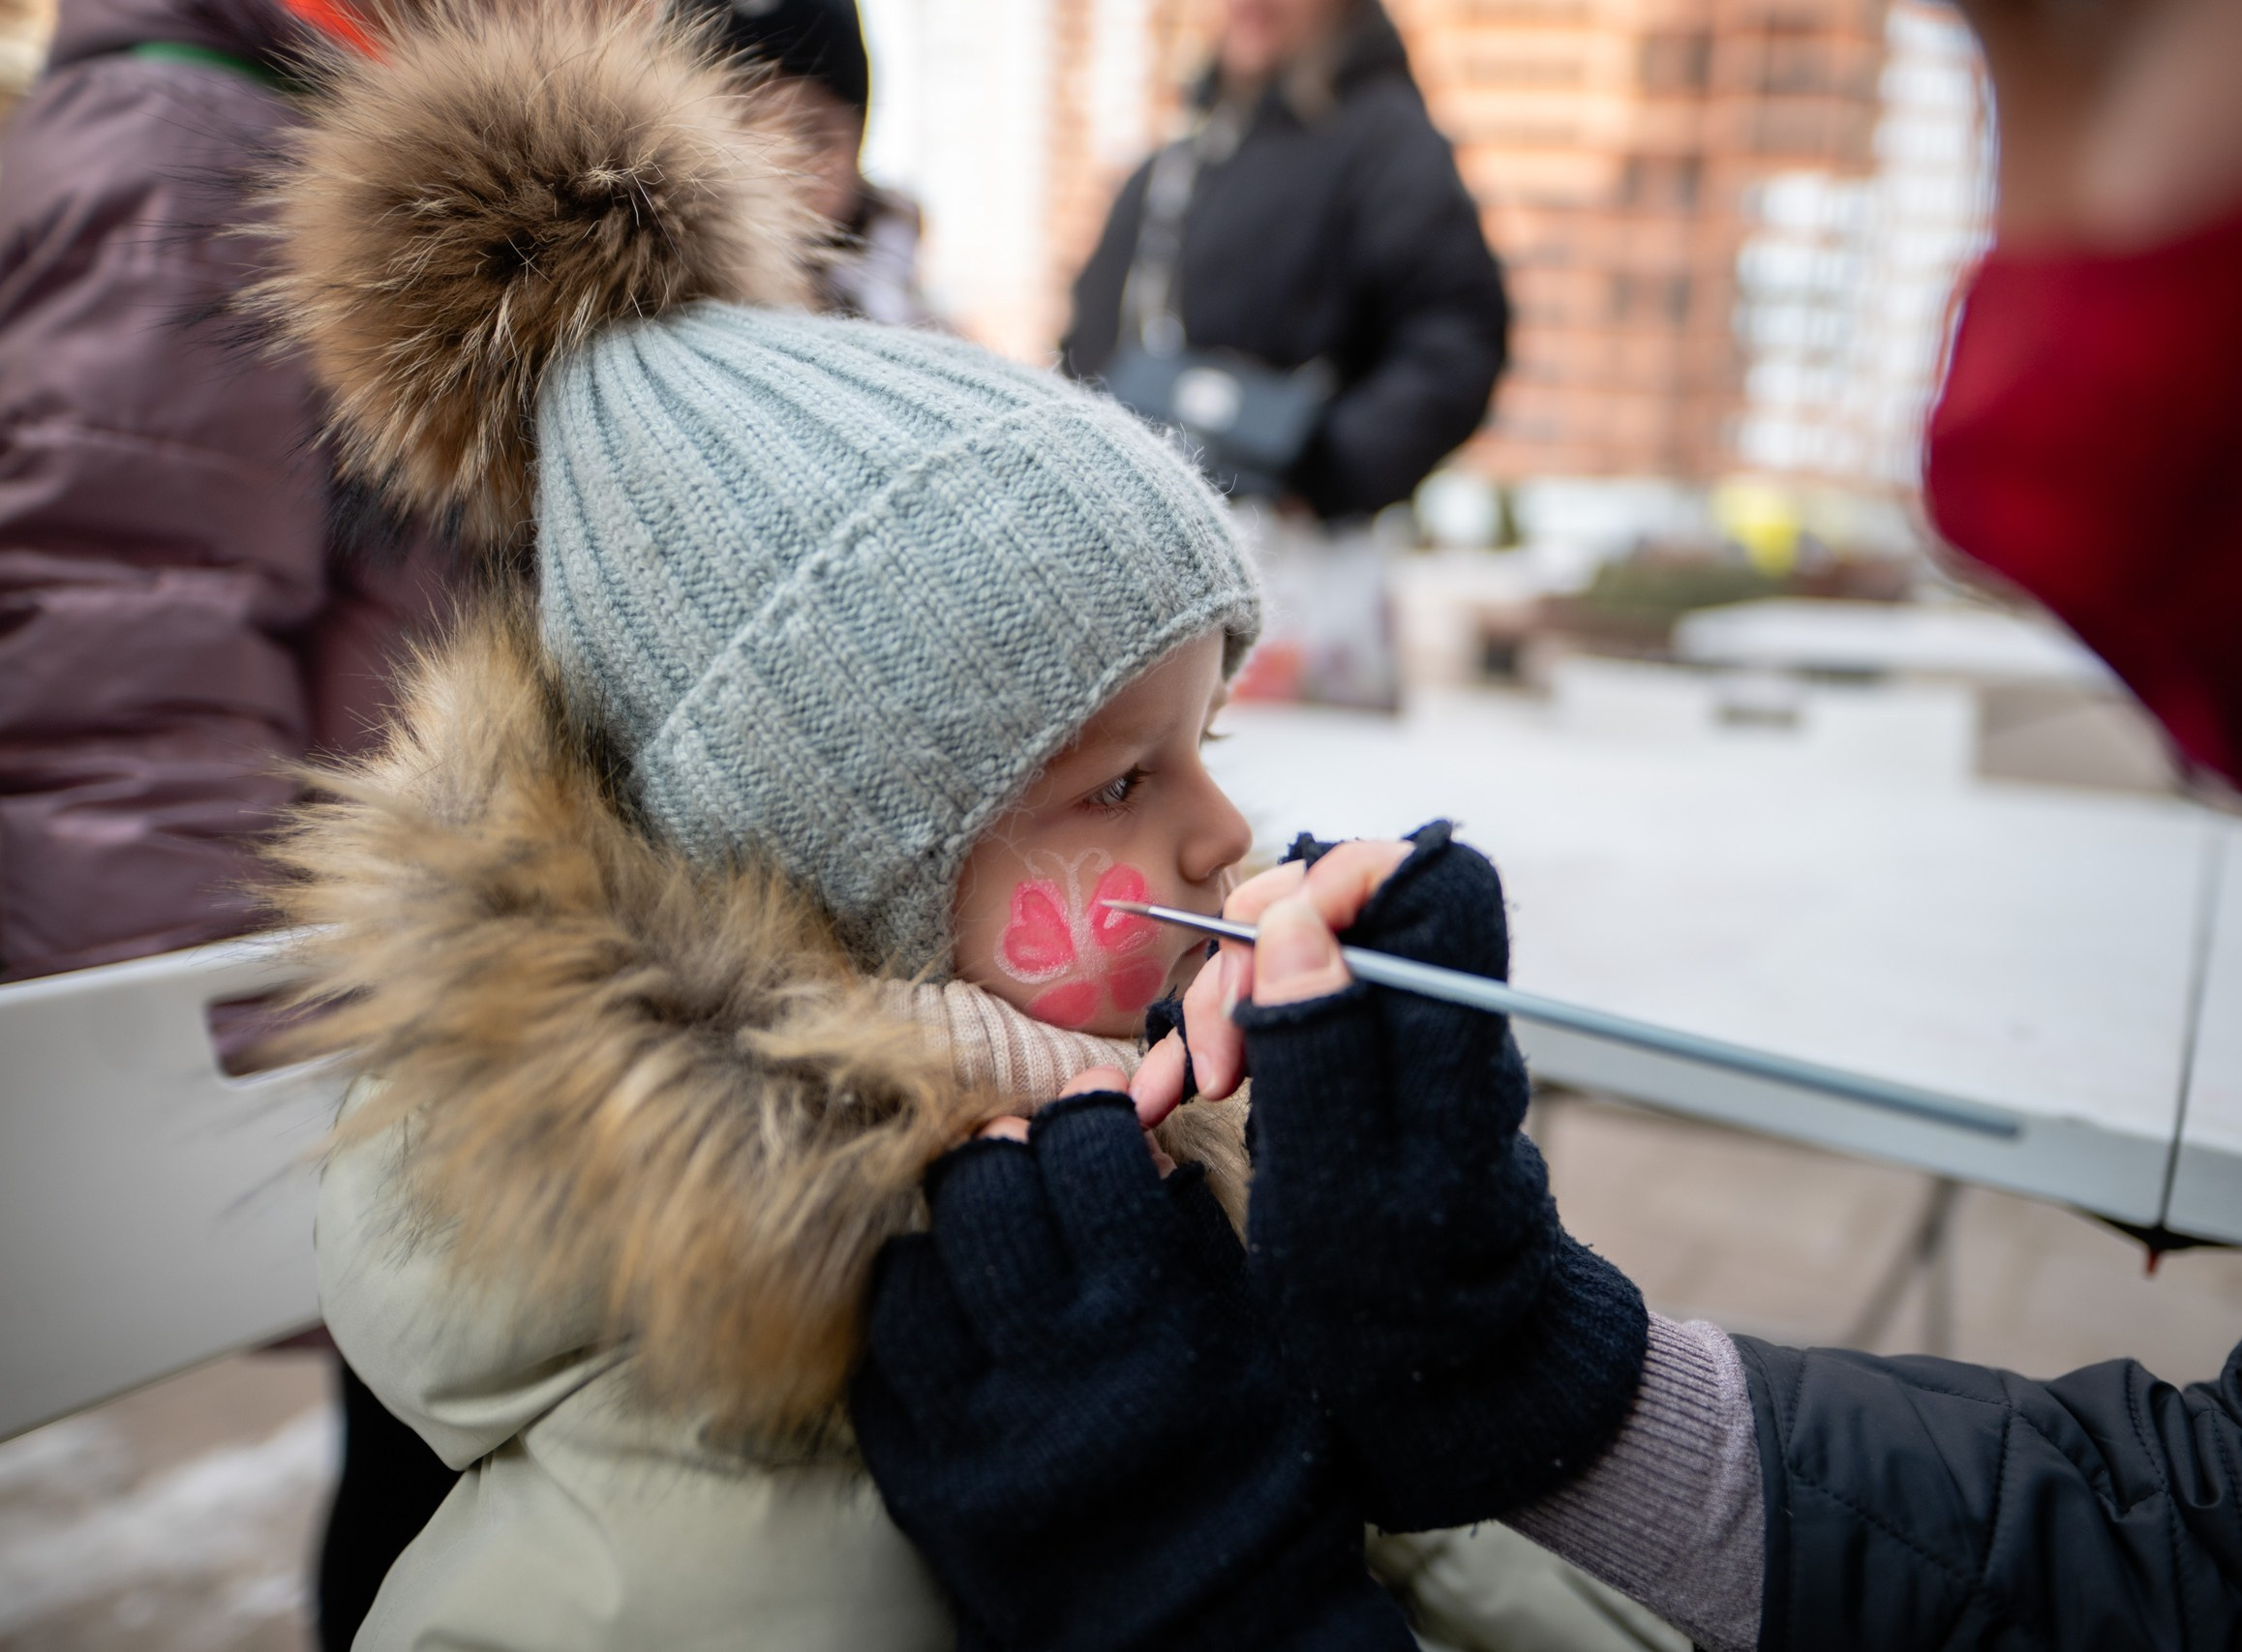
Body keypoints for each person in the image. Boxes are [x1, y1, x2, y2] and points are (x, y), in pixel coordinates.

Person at [849, 0, 2242, 1645]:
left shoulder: (1380, 158)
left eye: (2084, 39)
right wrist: (1540, 1376)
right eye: (1122, 778)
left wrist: (1209, 1606)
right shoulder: (1175, 163)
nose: (2005, 294)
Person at [251, 7, 1682, 1649]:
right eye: (1120, 781)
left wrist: (1432, 1300)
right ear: (845, 879)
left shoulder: (1172, 1172)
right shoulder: (673, 1553)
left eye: (1204, 741)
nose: (1227, 829)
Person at [0, 0, 462, 1643]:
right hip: (314, 981)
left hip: (379, 943)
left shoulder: (282, 115)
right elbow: (123, 641)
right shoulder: (191, 149)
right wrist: (224, 1104)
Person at [1063, 0, 1507, 708]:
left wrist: (1318, 469)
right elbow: (1082, 358)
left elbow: (1455, 342)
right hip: (1143, 590)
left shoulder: (1389, 145)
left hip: (1300, 583)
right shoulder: (1175, 167)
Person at [682, 0, 933, 326]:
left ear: (857, 151)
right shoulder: (652, 309)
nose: (781, 160)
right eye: (742, 121)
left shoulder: (919, 330)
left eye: (815, 136)